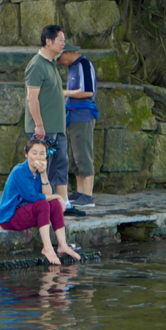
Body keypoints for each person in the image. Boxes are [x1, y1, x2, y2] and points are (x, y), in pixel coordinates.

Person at [25, 25, 84, 217]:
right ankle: (42, 205)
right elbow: (31, 98)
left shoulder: (52, 63)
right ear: (48, 41)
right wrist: (39, 125)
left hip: (57, 127)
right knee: (44, 166)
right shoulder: (36, 65)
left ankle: (63, 203)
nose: (63, 43)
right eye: (60, 39)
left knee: (61, 163)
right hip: (44, 129)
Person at [0, 139, 83, 265]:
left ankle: (62, 244)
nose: (38, 157)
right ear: (26, 154)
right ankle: (47, 247)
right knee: (43, 204)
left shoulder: (41, 170)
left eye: (42, 153)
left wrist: (43, 174)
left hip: (27, 212)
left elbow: (48, 194)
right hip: (10, 217)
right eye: (34, 153)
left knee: (53, 204)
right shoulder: (19, 171)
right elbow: (33, 197)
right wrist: (58, 196)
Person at [57, 42, 98, 208]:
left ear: (67, 53)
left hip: (82, 115)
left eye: (60, 58)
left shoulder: (84, 65)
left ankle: (88, 195)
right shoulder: (73, 67)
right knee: (75, 156)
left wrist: (65, 92)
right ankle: (80, 191)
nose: (60, 62)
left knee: (83, 154)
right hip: (72, 115)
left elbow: (88, 91)